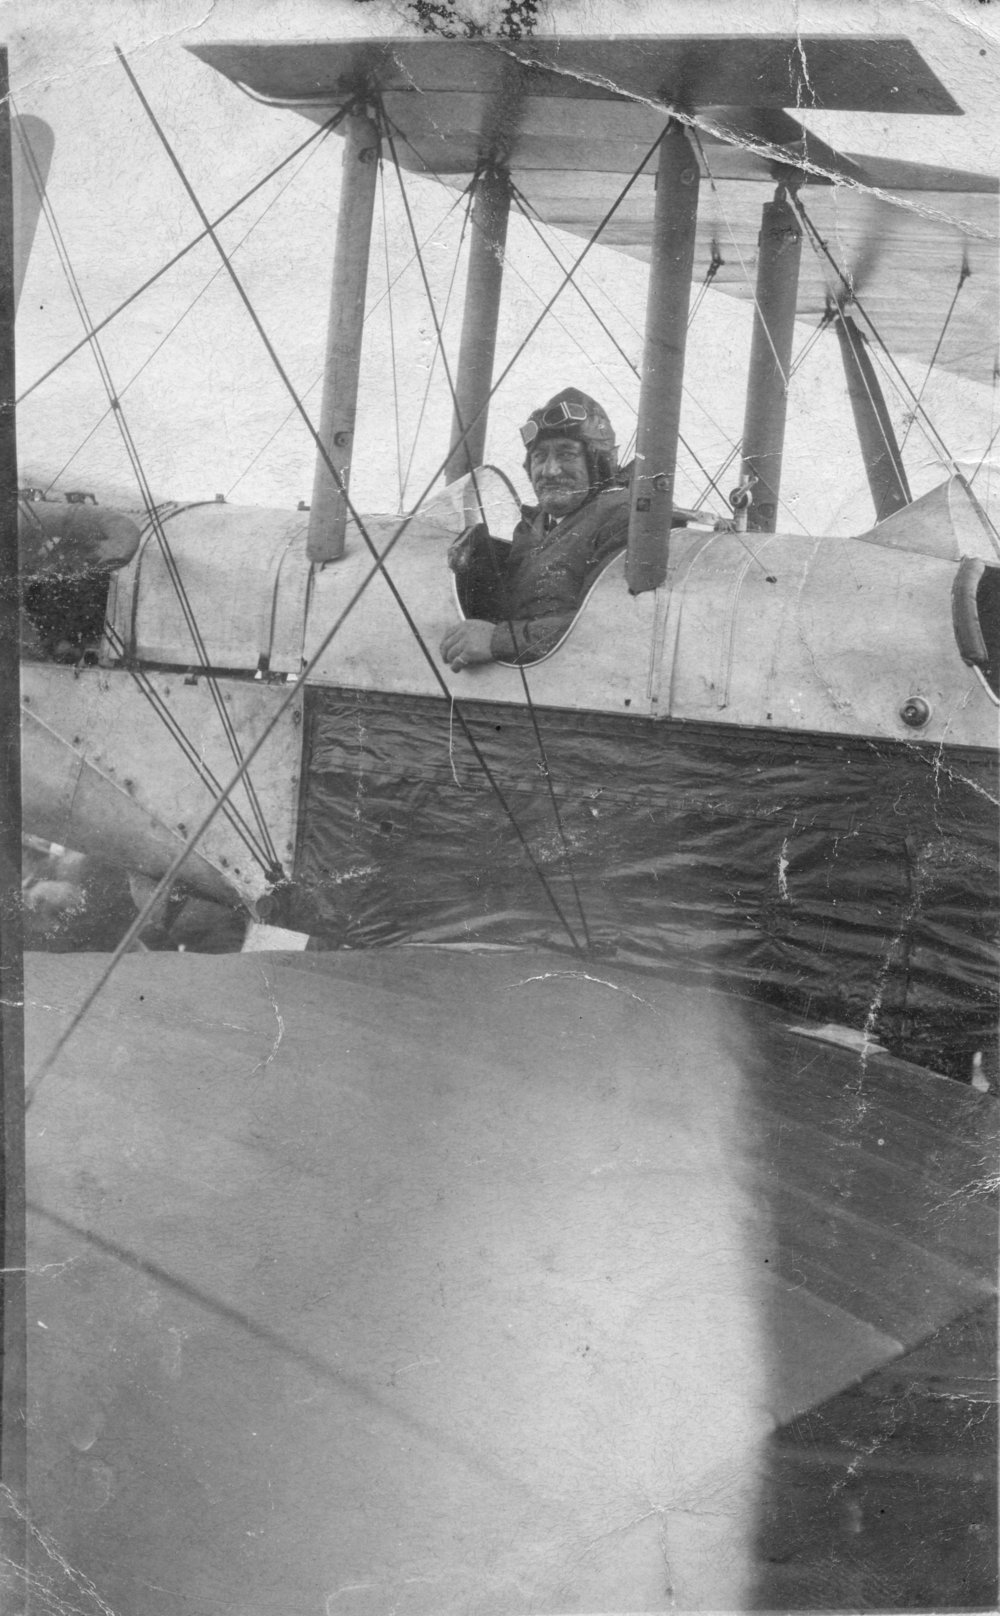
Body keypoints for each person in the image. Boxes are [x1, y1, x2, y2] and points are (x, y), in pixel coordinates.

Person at [439, 387, 629, 670]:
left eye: (567, 454)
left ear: (598, 464)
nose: (550, 471)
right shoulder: (534, 526)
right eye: (540, 457)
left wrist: (498, 640)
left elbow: (614, 624)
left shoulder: (624, 518)